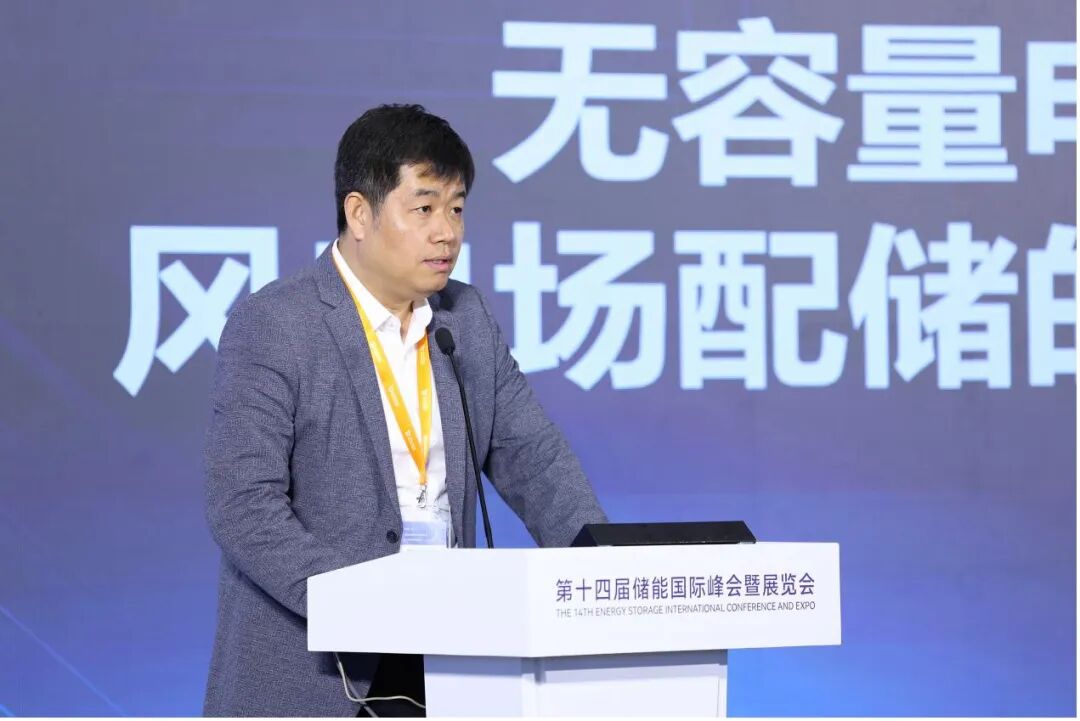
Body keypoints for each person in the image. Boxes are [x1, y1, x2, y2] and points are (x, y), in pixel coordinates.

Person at [202, 104, 607, 717]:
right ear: (359, 213)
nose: (447, 232)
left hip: (446, 656)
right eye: (424, 208)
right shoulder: (278, 324)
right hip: (319, 671)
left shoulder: (463, 319)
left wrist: (600, 574)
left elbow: (535, 459)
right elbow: (242, 505)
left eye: (457, 209)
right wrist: (360, 603)